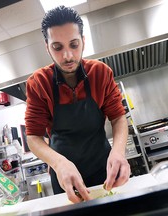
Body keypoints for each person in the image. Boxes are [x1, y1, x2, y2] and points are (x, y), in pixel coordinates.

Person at [25, 5, 130, 203]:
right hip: (64, 175)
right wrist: (59, 163)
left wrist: (118, 152)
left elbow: (118, 117)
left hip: (104, 168)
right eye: (57, 47)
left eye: (74, 45)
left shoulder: (101, 73)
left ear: (83, 41)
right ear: (47, 47)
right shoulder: (38, 83)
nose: (68, 56)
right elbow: (33, 137)